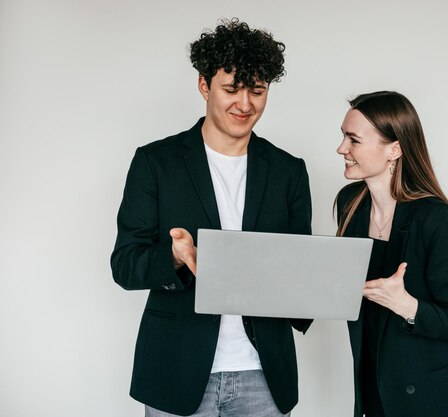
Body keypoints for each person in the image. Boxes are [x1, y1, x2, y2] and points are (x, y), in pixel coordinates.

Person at [111, 19, 312, 417]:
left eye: (257, 91)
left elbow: (299, 270)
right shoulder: (155, 163)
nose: (245, 104)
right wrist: (174, 257)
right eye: (231, 89)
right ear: (204, 85)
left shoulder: (289, 170)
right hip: (176, 371)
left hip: (264, 374)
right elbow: (124, 265)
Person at [335, 91, 448, 417]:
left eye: (354, 140)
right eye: (343, 137)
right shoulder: (350, 204)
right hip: (376, 391)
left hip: (434, 399)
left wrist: (408, 306)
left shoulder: (435, 219)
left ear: (395, 149)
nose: (341, 149)